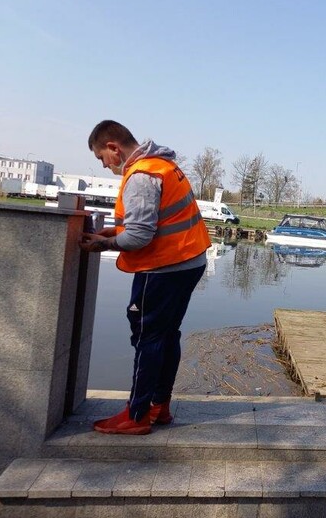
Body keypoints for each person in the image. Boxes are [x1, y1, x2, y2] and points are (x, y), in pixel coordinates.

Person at [79, 120, 211, 435]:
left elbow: (139, 237)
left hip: (163, 268)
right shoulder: (163, 165)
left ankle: (136, 415)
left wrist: (105, 243)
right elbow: (157, 221)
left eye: (101, 157)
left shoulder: (141, 176)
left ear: (113, 147)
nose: (104, 164)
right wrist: (118, 231)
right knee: (167, 334)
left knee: (147, 336)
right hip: (189, 261)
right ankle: (159, 406)